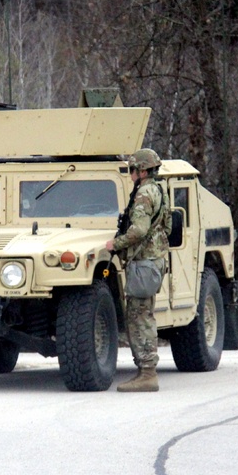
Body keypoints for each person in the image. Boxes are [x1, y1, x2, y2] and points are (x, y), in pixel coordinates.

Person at [105, 148, 172, 392]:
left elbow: (139, 230)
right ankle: (145, 370)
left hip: (144, 263)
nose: (130, 173)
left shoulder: (144, 193)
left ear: (142, 170)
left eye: (132, 169)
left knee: (139, 316)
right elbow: (167, 226)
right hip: (153, 261)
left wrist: (116, 244)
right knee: (143, 313)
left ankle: (147, 373)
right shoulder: (159, 190)